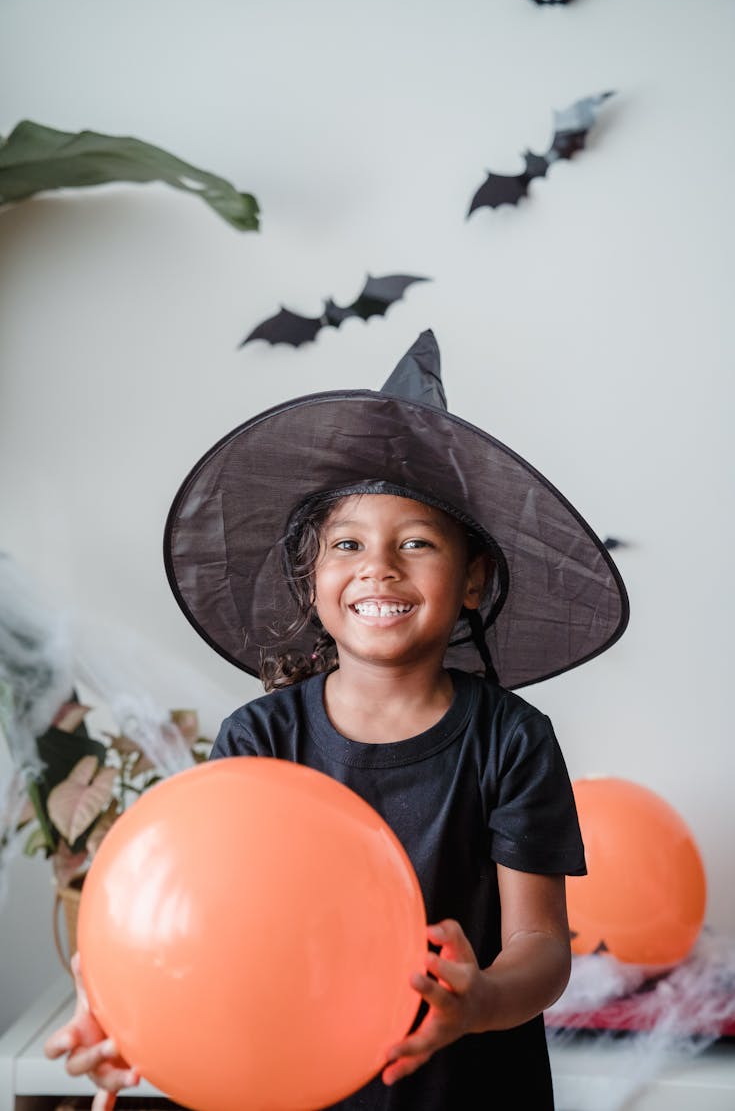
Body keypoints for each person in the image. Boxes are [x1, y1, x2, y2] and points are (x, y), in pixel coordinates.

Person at [45, 329, 629, 1109]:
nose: (378, 567)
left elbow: (540, 946)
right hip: (303, 1085)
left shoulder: (513, 741)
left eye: (417, 542)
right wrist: (133, 1018)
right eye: (346, 542)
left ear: (472, 579)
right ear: (311, 577)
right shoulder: (259, 744)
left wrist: (481, 998)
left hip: (475, 1091)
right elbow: (215, 930)